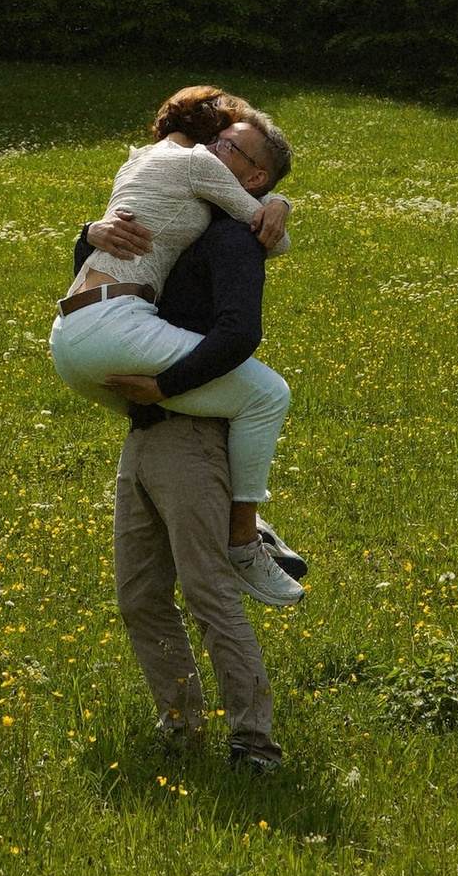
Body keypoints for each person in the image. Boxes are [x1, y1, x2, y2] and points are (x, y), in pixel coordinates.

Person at [78, 145, 297, 771]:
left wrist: (165, 388)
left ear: (252, 176)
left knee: (208, 593)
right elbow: (98, 270)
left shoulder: (232, 238)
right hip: (144, 433)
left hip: (192, 434)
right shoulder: (182, 216)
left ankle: (255, 744)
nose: (206, 152)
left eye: (228, 147)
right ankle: (180, 726)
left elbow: (238, 333)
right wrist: (88, 231)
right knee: (140, 596)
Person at [50, 88, 296, 517]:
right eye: (221, 139)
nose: (219, 149)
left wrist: (88, 231)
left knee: (180, 413)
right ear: (210, 133)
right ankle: (245, 530)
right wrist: (277, 202)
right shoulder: (198, 163)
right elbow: (273, 239)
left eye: (229, 146)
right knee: (269, 396)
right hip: (116, 325)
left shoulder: (136, 159)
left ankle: (217, 511)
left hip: (69, 335)